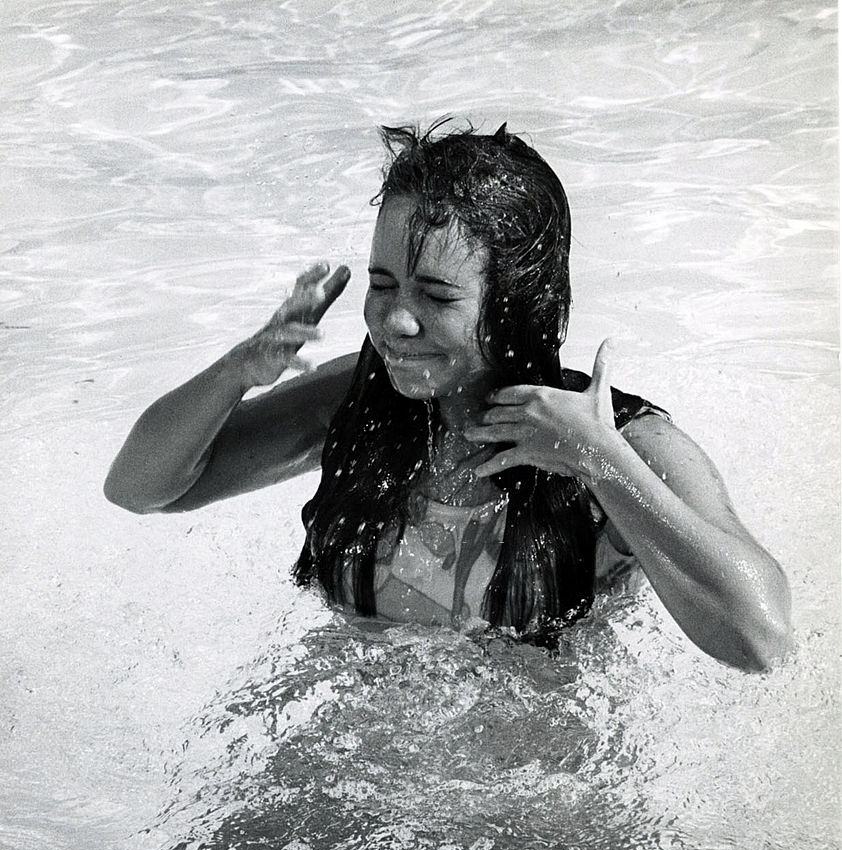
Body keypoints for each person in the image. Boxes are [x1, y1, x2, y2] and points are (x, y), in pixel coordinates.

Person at [104, 121, 791, 669]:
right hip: (352, 772)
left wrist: (601, 465)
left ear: (516, 302)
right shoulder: (359, 402)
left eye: (435, 295)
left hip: (532, 801)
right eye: (381, 284)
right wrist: (236, 372)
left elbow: (763, 641)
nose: (395, 322)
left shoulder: (616, 441)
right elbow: (140, 488)